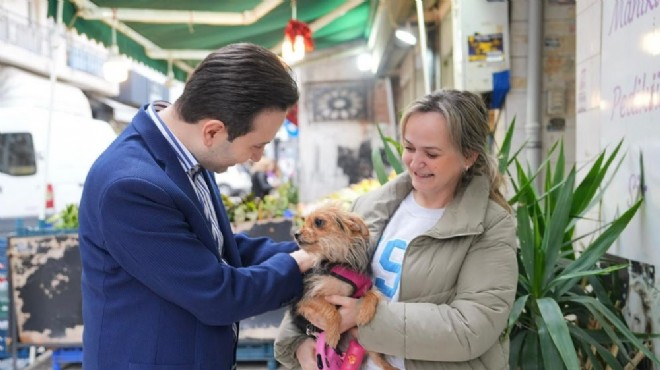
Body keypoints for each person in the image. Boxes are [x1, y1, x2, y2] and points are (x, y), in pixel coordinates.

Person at [78, 43, 317, 370]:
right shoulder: (131, 187)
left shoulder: (186, 155)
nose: (258, 157)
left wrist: (315, 253)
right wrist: (297, 264)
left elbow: (217, 249)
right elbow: (217, 294)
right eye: (256, 145)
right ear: (213, 131)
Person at [275, 89, 518, 370]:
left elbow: (472, 327)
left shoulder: (489, 225)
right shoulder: (369, 207)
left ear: (469, 156)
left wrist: (364, 319)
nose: (415, 162)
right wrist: (299, 345)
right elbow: (317, 280)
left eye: (432, 153)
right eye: (409, 148)